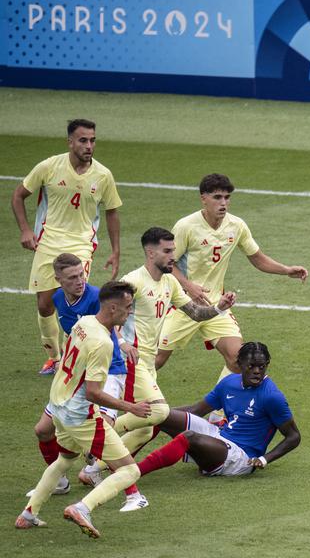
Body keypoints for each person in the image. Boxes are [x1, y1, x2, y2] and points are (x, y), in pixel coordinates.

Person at [78, 227, 236, 511]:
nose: (172, 256)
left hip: (148, 364)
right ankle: (101, 432)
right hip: (129, 362)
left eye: (173, 251)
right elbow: (105, 317)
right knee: (160, 412)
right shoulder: (132, 282)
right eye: (167, 251)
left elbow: (196, 313)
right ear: (150, 253)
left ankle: (93, 469)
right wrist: (123, 342)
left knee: (148, 426)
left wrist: (220, 308)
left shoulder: (170, 283)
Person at [15, 281, 151, 538]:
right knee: (129, 469)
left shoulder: (83, 322)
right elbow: (94, 392)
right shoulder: (103, 343)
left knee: (65, 459)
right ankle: (82, 507)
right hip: (80, 416)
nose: (129, 312)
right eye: (127, 307)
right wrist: (130, 406)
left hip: (58, 406)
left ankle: (29, 514)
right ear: (112, 308)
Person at [155, 174, 308, 380]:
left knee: (240, 361)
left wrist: (286, 270)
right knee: (155, 361)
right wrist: (188, 285)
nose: (224, 203)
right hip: (183, 305)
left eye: (227, 197)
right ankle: (112, 398)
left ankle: (218, 411)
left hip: (217, 304)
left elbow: (257, 258)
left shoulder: (236, 226)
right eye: (217, 197)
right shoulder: (186, 226)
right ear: (203, 198)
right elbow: (166, 263)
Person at [10, 119, 123, 375]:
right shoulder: (49, 166)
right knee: (44, 305)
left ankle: (80, 356)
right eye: (83, 140)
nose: (89, 145)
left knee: (76, 300)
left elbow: (112, 212)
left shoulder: (103, 175)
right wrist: (26, 230)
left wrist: (115, 250)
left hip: (81, 244)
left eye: (93, 140)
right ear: (70, 142)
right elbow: (18, 195)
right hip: (48, 242)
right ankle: (54, 357)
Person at [25, 253, 138, 498]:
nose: (80, 281)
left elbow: (113, 321)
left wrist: (123, 341)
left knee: (101, 432)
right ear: (58, 280)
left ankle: (128, 489)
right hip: (77, 376)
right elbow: (73, 335)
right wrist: (62, 361)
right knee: (43, 430)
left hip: (109, 370)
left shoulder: (96, 297)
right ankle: (60, 481)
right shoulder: (58, 299)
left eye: (81, 274)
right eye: (72, 277)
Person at [136, 342, 300, 478]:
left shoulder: (272, 396)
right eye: (251, 366)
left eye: (262, 366)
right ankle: (125, 459)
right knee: (160, 413)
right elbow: (196, 410)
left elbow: (294, 436)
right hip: (220, 436)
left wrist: (264, 459)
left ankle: (135, 472)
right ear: (239, 364)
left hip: (240, 457)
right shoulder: (229, 383)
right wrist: (158, 412)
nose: (257, 371)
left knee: (189, 437)